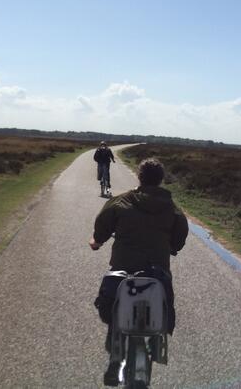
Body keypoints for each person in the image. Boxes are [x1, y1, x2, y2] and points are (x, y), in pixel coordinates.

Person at [89, 157, 188, 386]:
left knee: (111, 307)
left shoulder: (119, 202)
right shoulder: (173, 209)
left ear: (139, 176)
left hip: (123, 269)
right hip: (158, 272)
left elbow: (101, 228)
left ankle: (115, 358)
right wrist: (172, 246)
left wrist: (96, 241)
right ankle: (158, 338)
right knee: (165, 305)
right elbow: (179, 238)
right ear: (161, 179)